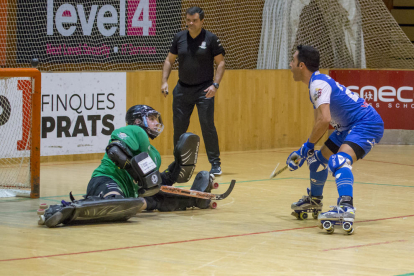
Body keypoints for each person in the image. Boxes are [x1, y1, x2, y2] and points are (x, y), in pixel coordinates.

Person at [37, 105, 215, 228]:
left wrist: (177, 167)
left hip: (129, 195)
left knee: (151, 199)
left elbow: (155, 182)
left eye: (155, 119)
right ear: (137, 121)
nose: (155, 122)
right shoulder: (135, 131)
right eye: (151, 118)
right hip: (106, 179)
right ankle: (61, 210)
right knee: (116, 201)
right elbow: (116, 151)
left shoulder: (155, 154)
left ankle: (193, 200)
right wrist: (136, 173)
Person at [286, 45, 384, 234]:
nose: (290, 64)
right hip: (347, 128)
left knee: (339, 160)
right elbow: (320, 124)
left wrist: (306, 147)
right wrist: (305, 152)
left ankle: (346, 208)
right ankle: (314, 200)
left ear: (301, 65)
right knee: (316, 163)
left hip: (366, 123)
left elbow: (324, 120)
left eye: (293, 60)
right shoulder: (315, 83)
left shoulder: (318, 84)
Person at [160, 6, 225, 176]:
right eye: (188, 20)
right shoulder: (179, 37)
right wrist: (164, 81)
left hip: (205, 90)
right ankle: (178, 163)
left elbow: (221, 63)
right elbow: (169, 60)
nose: (191, 23)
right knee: (179, 128)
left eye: (194, 20)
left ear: (202, 21)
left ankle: (216, 164)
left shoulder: (211, 39)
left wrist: (215, 85)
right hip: (182, 90)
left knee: (207, 126)